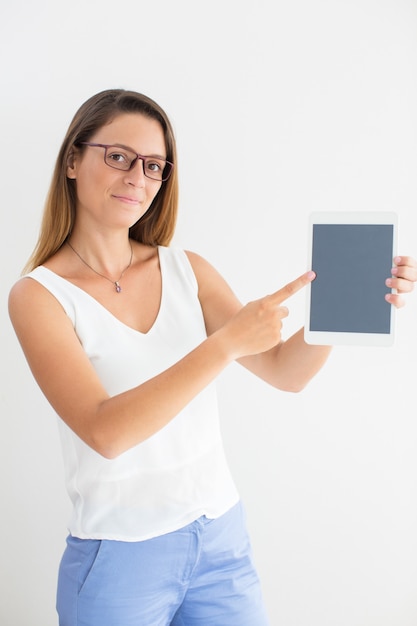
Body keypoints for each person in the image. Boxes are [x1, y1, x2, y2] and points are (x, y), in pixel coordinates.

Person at [8, 89, 417, 626]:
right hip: (120, 558)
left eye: (154, 166)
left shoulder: (187, 270)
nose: (137, 176)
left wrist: (344, 300)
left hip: (220, 540)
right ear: (71, 160)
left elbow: (284, 372)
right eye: (118, 156)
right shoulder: (39, 296)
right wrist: (224, 344)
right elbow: (104, 432)